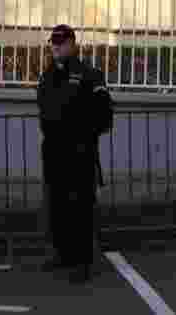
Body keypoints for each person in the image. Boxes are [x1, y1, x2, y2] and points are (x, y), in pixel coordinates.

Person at [35, 24, 114, 284]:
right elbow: (44, 114)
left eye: (60, 42)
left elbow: (104, 116)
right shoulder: (47, 76)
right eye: (53, 42)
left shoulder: (89, 74)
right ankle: (62, 254)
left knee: (80, 209)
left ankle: (82, 262)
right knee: (57, 208)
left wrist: (82, 136)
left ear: (72, 44)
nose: (55, 46)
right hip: (55, 154)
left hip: (80, 154)